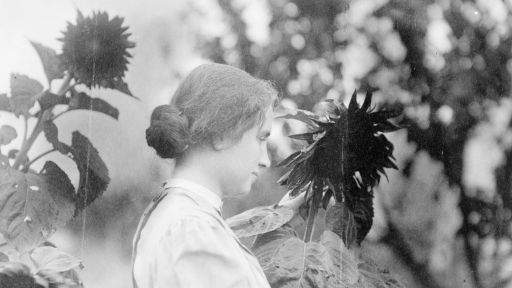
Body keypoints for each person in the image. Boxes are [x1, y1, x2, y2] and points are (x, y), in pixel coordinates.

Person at [132, 63, 304, 288]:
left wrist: (283, 214)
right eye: (261, 138)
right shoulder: (192, 229)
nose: (266, 161)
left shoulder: (182, 216)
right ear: (222, 133)